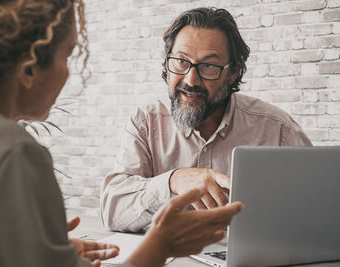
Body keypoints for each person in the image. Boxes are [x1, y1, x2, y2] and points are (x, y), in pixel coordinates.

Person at [0, 1, 243, 267]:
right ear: (30, 66)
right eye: (68, 56)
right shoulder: (14, 153)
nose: (69, 73)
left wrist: (52, 254)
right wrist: (162, 244)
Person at [101, 7, 312, 232]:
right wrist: (173, 181)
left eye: (208, 66)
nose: (191, 80)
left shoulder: (277, 129)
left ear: (233, 73)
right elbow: (113, 212)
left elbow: (319, 205)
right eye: (181, 61)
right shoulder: (146, 122)